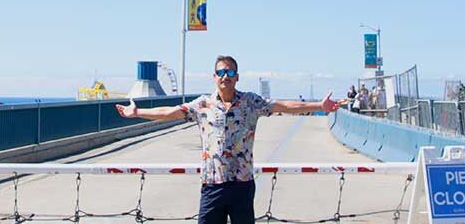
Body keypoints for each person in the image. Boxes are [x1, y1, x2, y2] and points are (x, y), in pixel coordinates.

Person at [116, 55, 341, 224]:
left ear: (237, 77)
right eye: (222, 73)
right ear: (214, 77)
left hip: (242, 185)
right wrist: (137, 112)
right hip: (212, 185)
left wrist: (318, 106)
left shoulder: (251, 102)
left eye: (231, 73)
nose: (226, 77)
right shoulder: (202, 105)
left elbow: (283, 105)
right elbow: (170, 112)